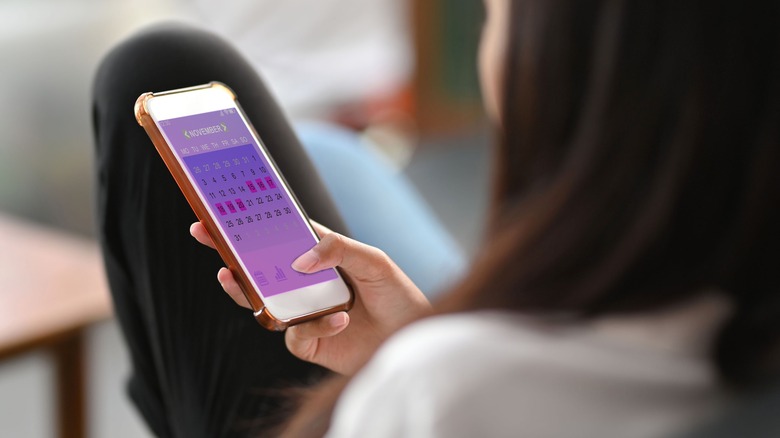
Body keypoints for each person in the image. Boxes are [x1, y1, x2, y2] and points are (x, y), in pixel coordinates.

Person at [93, 1, 780, 438]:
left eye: (495, 15)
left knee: (155, 68)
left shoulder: (445, 392)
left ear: (566, 68)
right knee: (332, 156)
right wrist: (413, 333)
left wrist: (410, 358)